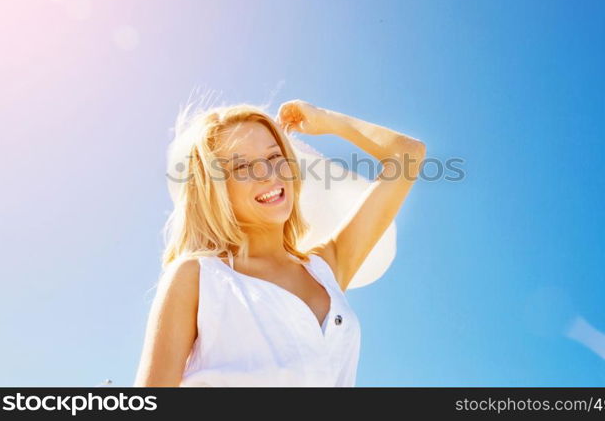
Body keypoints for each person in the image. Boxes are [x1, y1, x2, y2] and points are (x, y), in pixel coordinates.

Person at [133, 98, 426, 386]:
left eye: (274, 157)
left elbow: (408, 154)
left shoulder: (326, 268)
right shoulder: (198, 276)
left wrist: (328, 120)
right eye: (242, 167)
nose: (268, 174)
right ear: (215, 189)